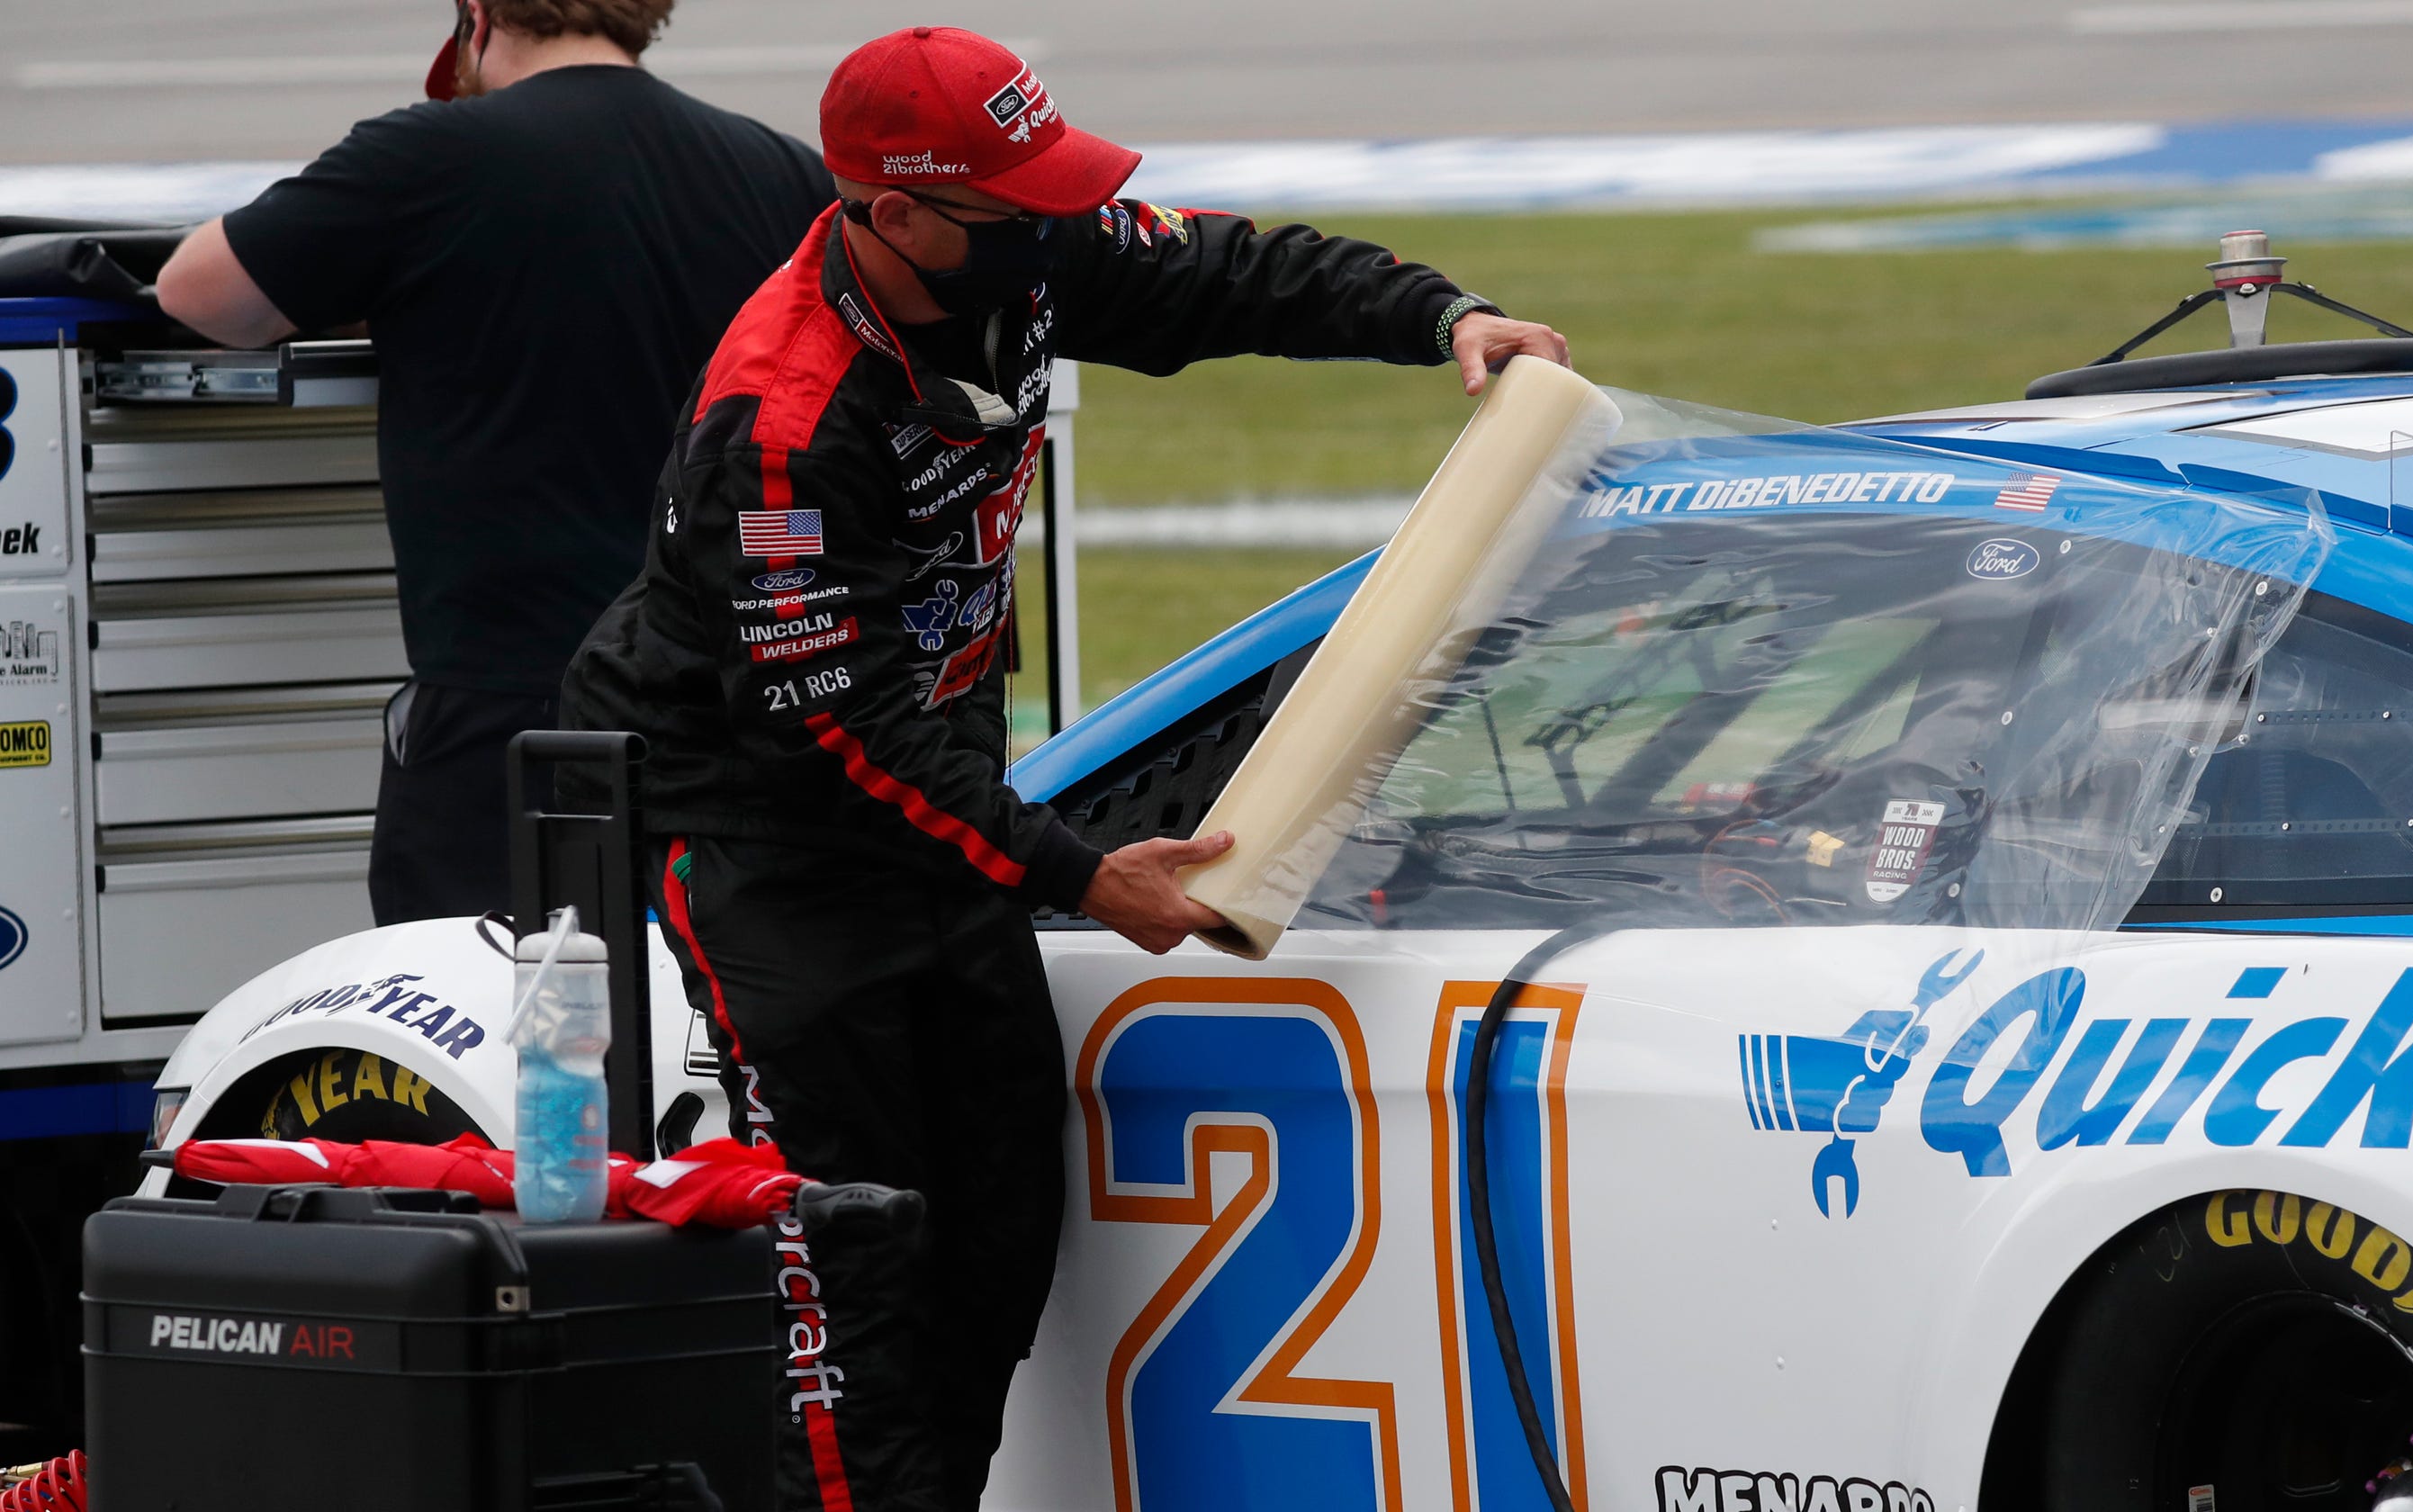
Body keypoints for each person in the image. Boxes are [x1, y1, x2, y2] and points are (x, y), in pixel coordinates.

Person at [562, 25, 1568, 1512]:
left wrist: (1442, 318)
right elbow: (829, 733)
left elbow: (1227, 273)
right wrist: (1077, 870)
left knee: (999, 1248)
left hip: (937, 801)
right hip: (768, 841)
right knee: (856, 1284)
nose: (1053, 229)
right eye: (1014, 206)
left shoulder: (1012, 248)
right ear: (892, 214)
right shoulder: (780, 427)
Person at [153, 0, 834, 925]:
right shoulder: (780, 170)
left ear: (477, 17)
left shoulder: (429, 155)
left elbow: (200, 294)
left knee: (485, 1023)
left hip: (516, 709)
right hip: (738, 699)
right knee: (702, 1024)